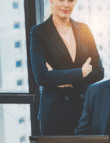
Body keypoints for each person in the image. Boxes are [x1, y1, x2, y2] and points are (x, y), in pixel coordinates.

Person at [30, 0, 104, 135]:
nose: (66, 4)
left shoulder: (84, 29)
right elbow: (41, 77)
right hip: (55, 116)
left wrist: (58, 78)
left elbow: (99, 72)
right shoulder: (39, 32)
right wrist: (80, 73)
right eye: (61, 0)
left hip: (84, 113)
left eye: (70, 0)